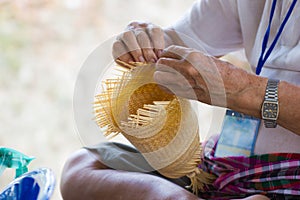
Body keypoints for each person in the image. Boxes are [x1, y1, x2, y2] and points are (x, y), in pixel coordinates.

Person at [60, 0, 300, 199]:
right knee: (83, 167)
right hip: (226, 161)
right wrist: (143, 42)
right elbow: (179, 43)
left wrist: (244, 90)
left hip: (291, 180)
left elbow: (242, 89)